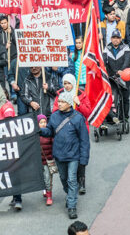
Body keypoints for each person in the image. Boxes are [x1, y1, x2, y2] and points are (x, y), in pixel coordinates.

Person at [40, 91, 89, 219]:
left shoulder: (78, 118)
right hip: (59, 155)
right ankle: (70, 195)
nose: (59, 104)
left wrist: (84, 159)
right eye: (59, 101)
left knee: (72, 180)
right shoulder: (55, 116)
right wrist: (40, 131)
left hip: (73, 155)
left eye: (62, 102)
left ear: (69, 103)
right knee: (63, 178)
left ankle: (72, 206)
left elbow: (84, 140)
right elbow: (50, 131)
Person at [105, 29, 130, 130]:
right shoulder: (106, 48)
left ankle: (125, 117)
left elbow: (127, 60)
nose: (115, 40)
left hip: (124, 77)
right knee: (113, 98)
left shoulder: (125, 47)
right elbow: (104, 61)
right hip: (112, 78)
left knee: (125, 98)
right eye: (114, 38)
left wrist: (122, 70)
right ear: (111, 38)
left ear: (120, 39)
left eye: (117, 38)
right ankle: (113, 116)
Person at [38, 114, 55, 206]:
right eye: (41, 122)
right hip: (39, 161)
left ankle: (49, 196)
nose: (43, 124)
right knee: (43, 178)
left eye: (45, 122)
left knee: (48, 179)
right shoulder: (35, 135)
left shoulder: (49, 133)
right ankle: (45, 190)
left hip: (48, 160)